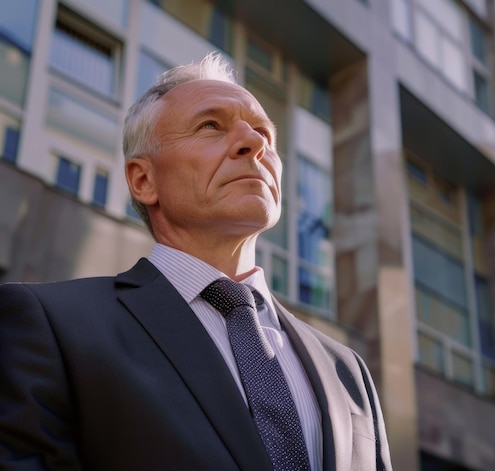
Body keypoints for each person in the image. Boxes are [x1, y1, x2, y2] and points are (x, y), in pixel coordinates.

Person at [0, 52, 392, 471]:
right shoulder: (49, 327)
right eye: (210, 126)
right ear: (143, 180)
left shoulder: (349, 372)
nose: (255, 143)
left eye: (264, 133)